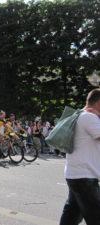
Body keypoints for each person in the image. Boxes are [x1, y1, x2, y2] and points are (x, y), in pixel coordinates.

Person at [60, 89, 100, 225]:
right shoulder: (89, 118)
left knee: (71, 215)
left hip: (75, 174)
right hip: (85, 177)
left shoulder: (79, 115)